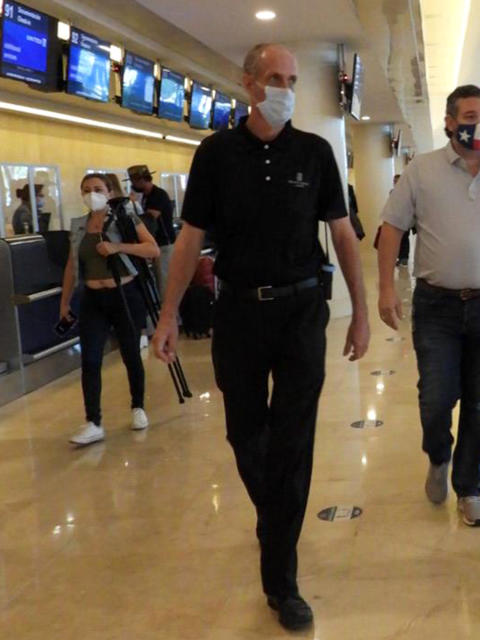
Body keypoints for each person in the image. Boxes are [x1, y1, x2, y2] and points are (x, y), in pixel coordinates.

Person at [151, 43, 370, 632]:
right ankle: (275, 520)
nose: (286, 88)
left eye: (293, 79)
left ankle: (283, 580)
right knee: (247, 436)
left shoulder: (316, 153)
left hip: (302, 311)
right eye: (275, 77)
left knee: (294, 443)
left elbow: (344, 235)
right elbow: (191, 239)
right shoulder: (216, 154)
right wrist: (169, 314)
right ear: (248, 84)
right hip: (239, 316)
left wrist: (361, 311)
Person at [377, 84, 480, 529]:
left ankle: (469, 489)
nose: (478, 122)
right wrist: (385, 290)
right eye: (469, 114)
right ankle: (437, 456)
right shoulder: (421, 170)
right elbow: (390, 229)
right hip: (437, 306)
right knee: (435, 398)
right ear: (450, 122)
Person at [60, 173, 159, 446]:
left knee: (130, 353)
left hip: (124, 295)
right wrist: (64, 301)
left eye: (98, 189)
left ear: (109, 190)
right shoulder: (78, 226)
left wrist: (117, 247)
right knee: (90, 359)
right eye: (87, 190)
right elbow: (71, 265)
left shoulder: (125, 218)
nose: (92, 194)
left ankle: (138, 406)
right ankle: (93, 421)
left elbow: (152, 249)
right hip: (93, 298)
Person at [127, 165, 176, 300]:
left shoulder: (158, 195)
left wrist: (132, 208)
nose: (133, 185)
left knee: (165, 284)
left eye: (135, 182)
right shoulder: (146, 197)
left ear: (143, 180)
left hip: (164, 245)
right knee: (159, 282)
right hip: (156, 244)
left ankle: (172, 317)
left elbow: (149, 219)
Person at [393, 174, 411, 265]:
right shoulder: (392, 192)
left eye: (397, 181)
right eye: (395, 181)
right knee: (398, 238)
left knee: (404, 238)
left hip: (406, 218)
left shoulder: (407, 192)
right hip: (396, 219)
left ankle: (404, 258)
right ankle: (400, 257)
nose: (396, 183)